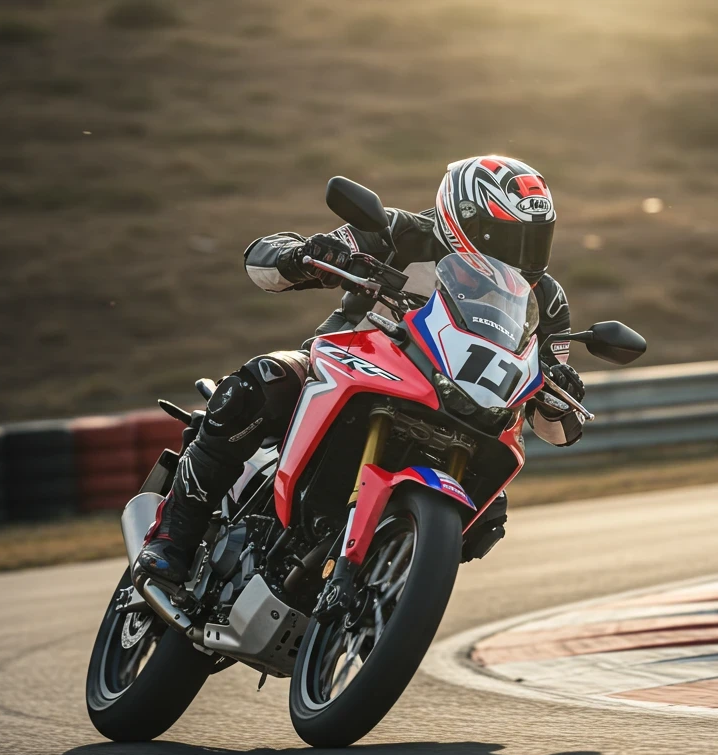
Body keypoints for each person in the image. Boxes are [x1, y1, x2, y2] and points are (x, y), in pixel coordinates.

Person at [135, 156, 586, 587]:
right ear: (462, 220)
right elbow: (261, 261)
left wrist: (560, 393)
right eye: (506, 237)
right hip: (348, 368)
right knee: (264, 383)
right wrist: (304, 254)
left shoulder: (545, 300)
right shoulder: (397, 232)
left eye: (533, 239)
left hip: (461, 409)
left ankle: (384, 594)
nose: (520, 254)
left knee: (489, 513)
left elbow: (556, 429)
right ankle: (174, 534)